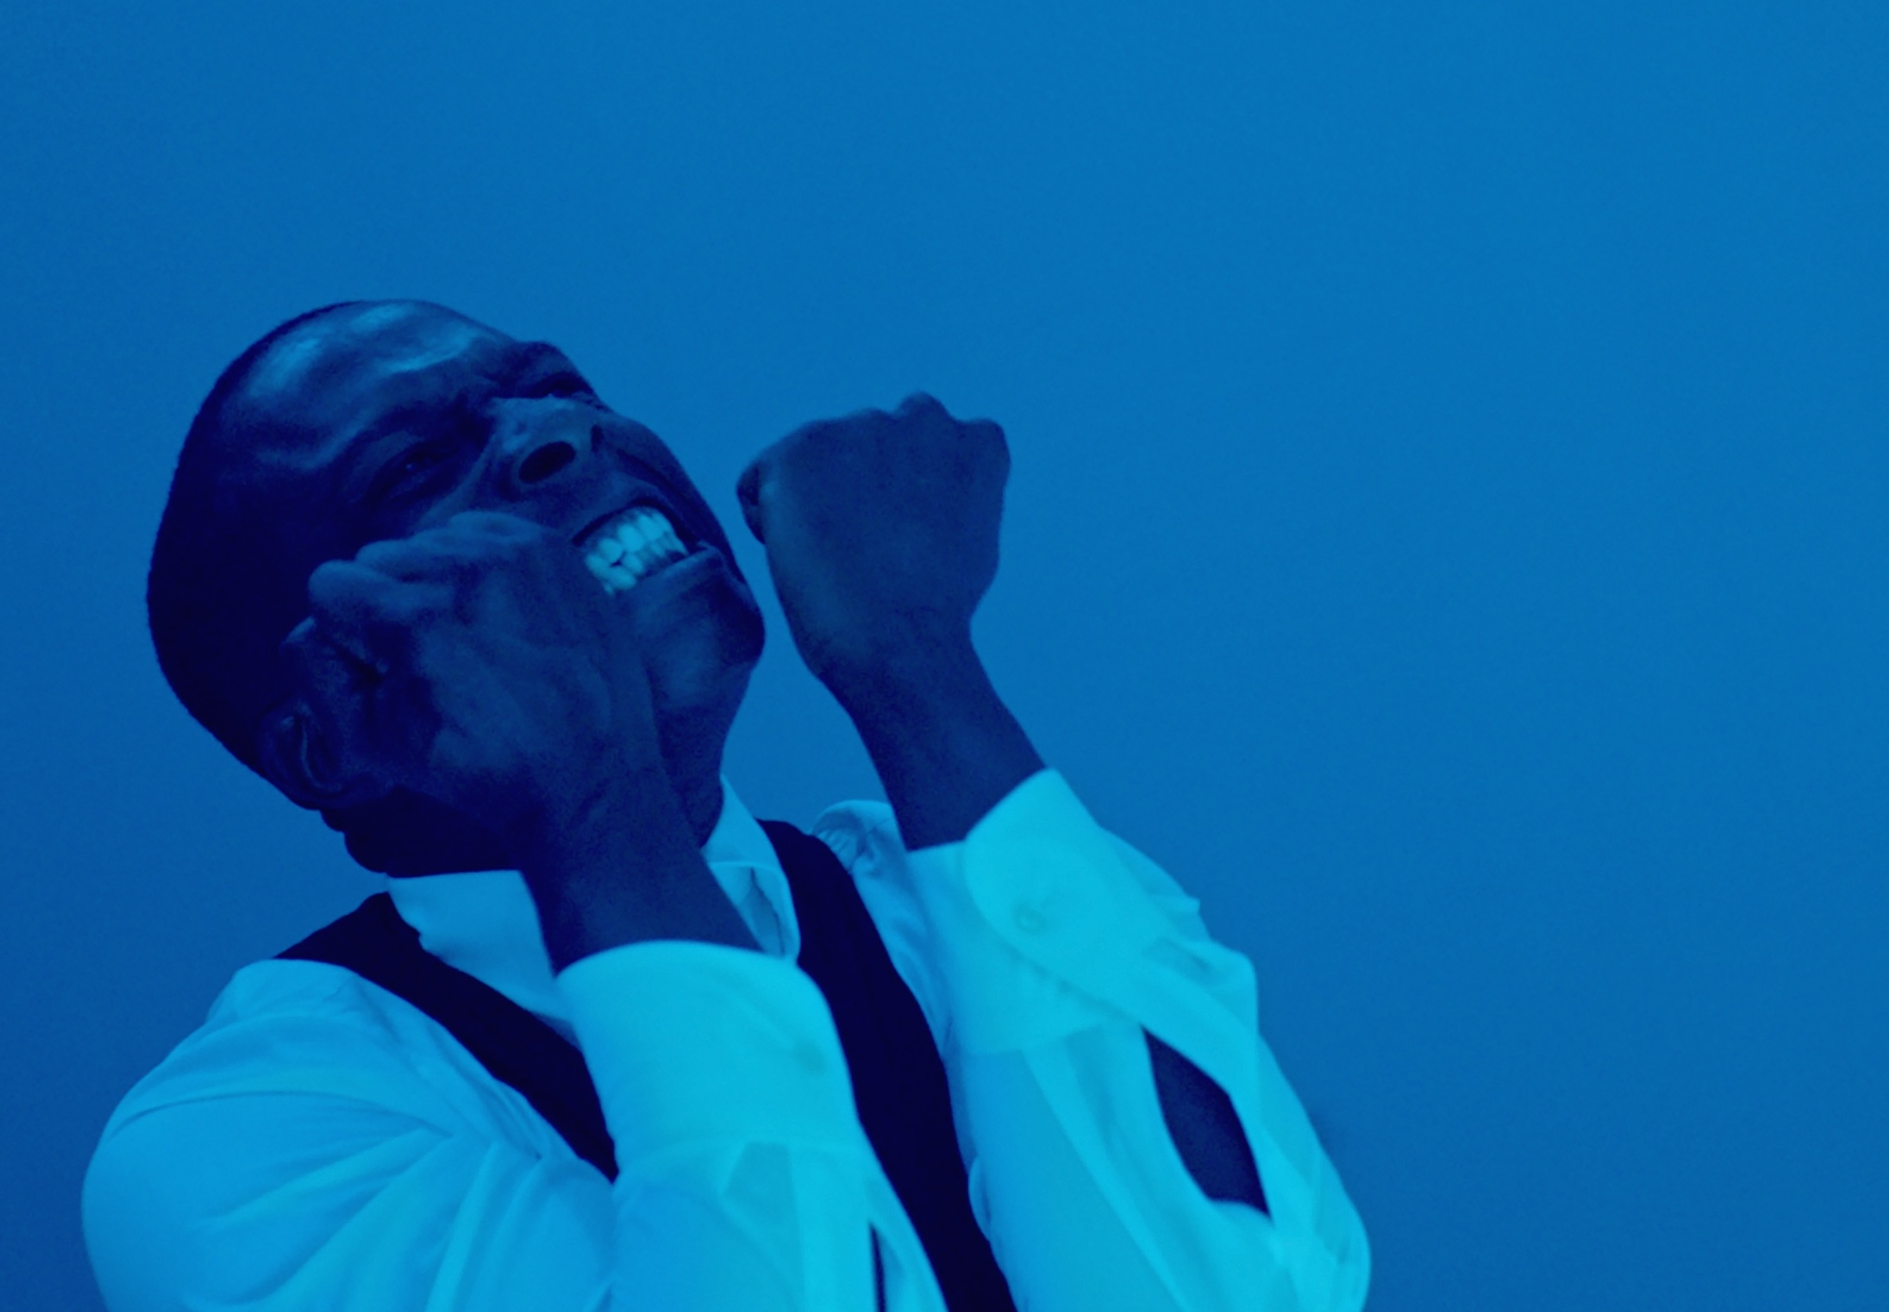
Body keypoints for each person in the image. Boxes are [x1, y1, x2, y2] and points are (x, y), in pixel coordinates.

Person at [82, 300, 1369, 1311]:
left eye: (560, 385)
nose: (559, 433)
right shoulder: (250, 1139)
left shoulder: (942, 879)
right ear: (327, 743)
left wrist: (915, 668)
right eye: (413, 465)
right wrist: (594, 793)